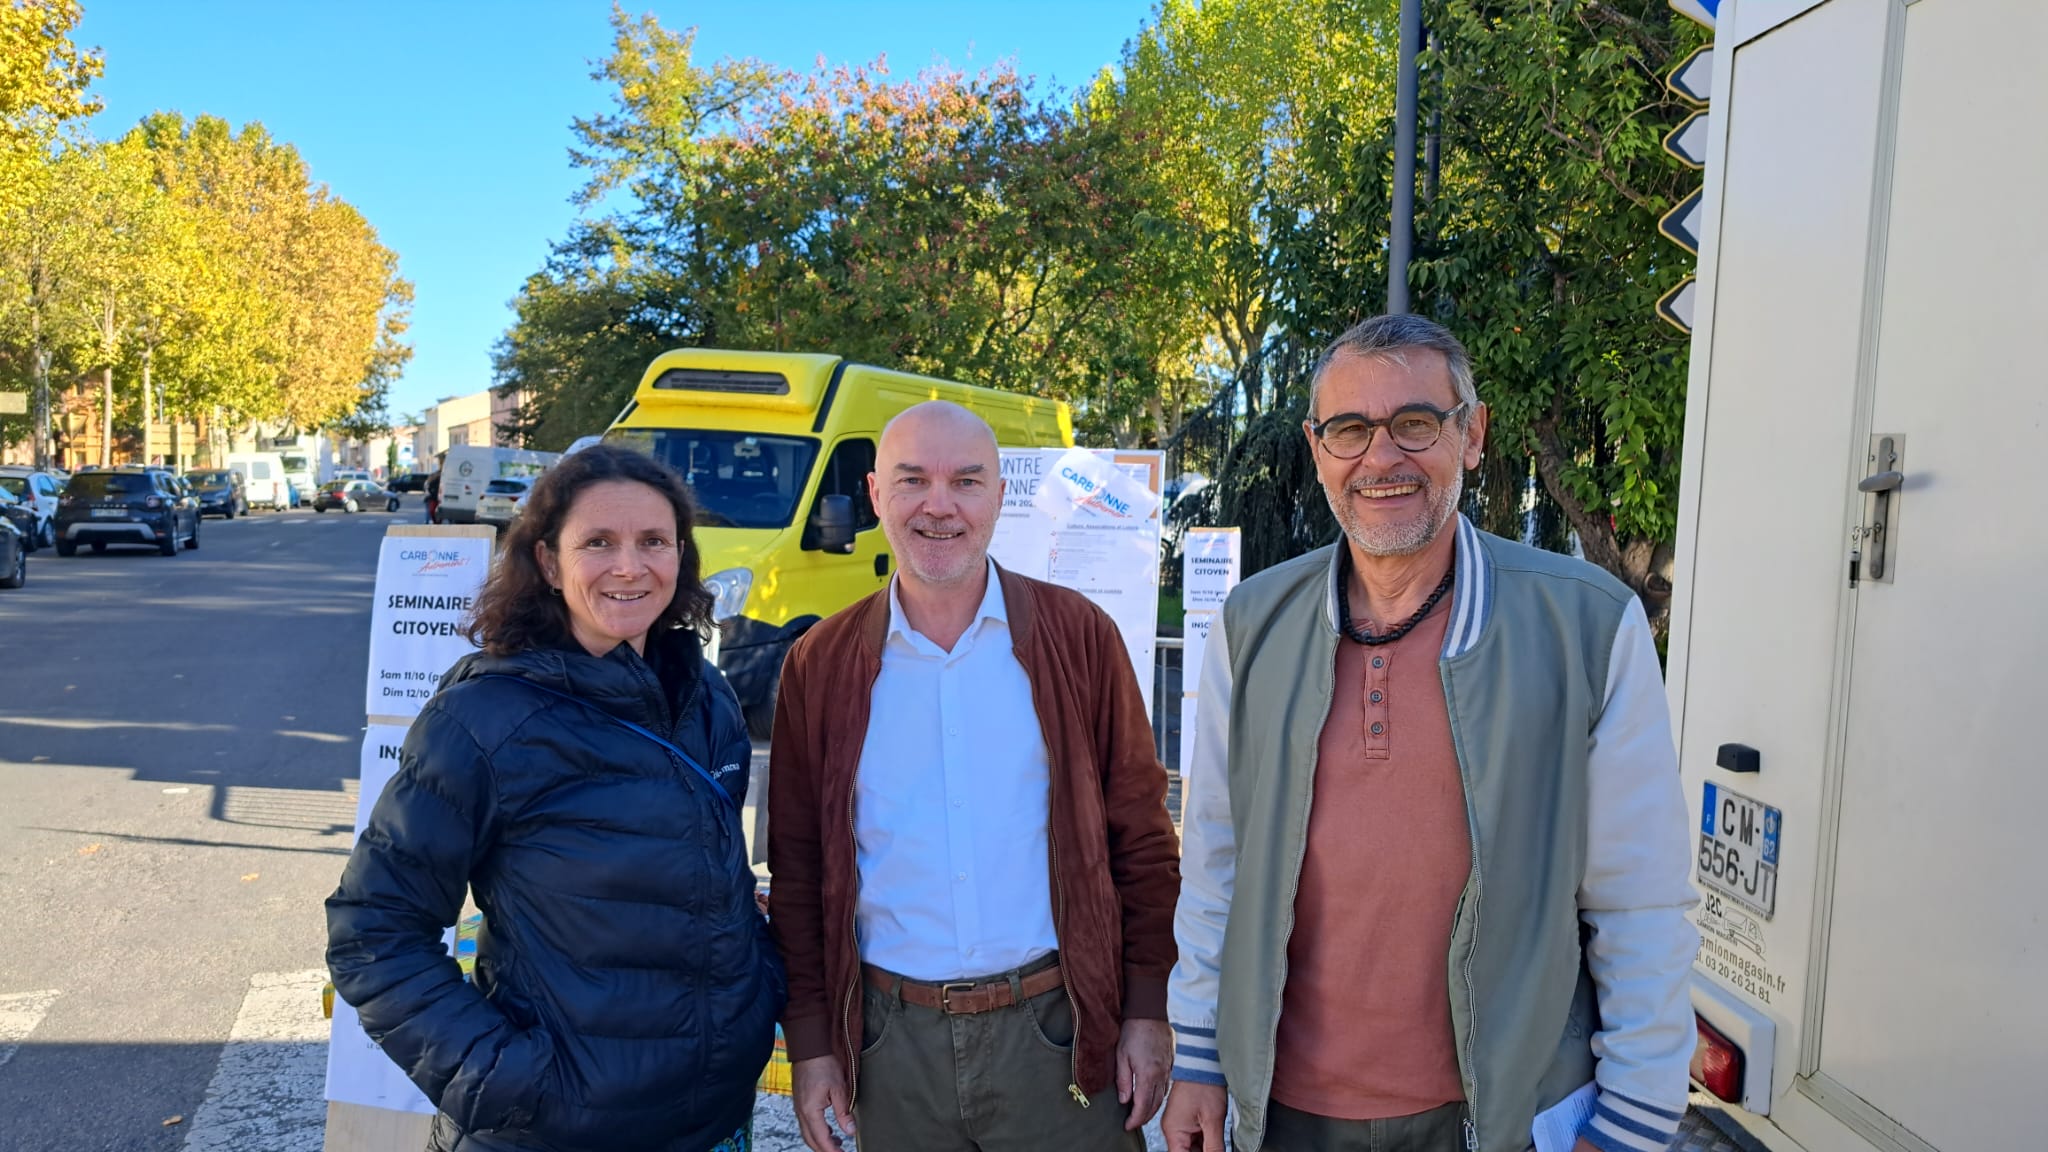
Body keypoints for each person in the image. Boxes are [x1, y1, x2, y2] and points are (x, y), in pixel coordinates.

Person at [1161, 314, 1698, 1152]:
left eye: (1416, 423)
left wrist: (1634, 1117)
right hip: (1285, 1115)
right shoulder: (1252, 624)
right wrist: (1196, 1055)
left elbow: (1641, 899)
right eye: (1349, 429)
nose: (1381, 458)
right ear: (1317, 450)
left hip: (1494, 1119)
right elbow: (1216, 863)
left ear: (1472, 435)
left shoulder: (1586, 625)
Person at [326, 443, 784, 1152]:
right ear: (547, 561)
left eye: (653, 541)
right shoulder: (484, 721)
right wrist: (506, 1084)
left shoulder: (706, 698)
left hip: (714, 1123)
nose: (629, 566)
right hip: (556, 1132)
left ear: (681, 557)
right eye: (598, 542)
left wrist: (759, 992)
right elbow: (373, 932)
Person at [767, 401, 1182, 1152]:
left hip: (1057, 1031)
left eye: (965, 481)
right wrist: (810, 1044)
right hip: (891, 1049)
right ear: (874, 495)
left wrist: (1147, 1010)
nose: (939, 505)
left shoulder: (1078, 637)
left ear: (997, 496)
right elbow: (798, 870)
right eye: (912, 480)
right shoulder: (820, 665)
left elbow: (1143, 837)